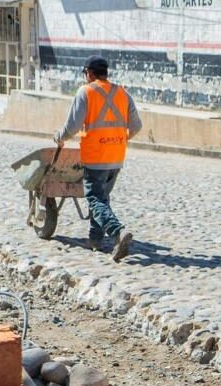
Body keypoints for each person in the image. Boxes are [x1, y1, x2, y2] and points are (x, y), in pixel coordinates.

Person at [54, 56, 139, 261]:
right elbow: (136, 126)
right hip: (116, 156)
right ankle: (95, 240)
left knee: (94, 198)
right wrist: (120, 139)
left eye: (85, 74)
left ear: (89, 73)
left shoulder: (86, 92)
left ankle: (117, 233)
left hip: (95, 156)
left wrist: (59, 137)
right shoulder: (122, 93)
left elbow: (73, 126)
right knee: (102, 199)